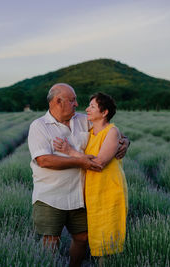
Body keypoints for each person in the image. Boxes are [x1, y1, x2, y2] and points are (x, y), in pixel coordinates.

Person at [27, 84, 129, 267]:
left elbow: (109, 130)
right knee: (51, 241)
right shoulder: (39, 126)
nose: (77, 104)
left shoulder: (82, 120)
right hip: (51, 196)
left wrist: (125, 141)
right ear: (58, 101)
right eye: (72, 100)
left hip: (80, 196)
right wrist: (80, 160)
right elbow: (43, 160)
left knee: (83, 238)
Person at [54, 92, 128, 261]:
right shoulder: (91, 130)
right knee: (98, 235)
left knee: (108, 238)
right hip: (94, 191)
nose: (86, 109)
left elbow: (98, 163)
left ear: (104, 112)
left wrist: (70, 151)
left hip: (109, 190)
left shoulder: (112, 132)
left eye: (92, 106)